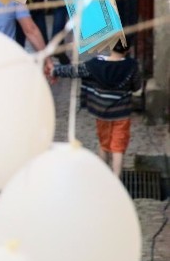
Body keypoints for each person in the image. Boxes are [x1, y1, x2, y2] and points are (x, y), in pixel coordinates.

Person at [52, 40, 141, 177]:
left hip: (102, 114)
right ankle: (116, 181)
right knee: (118, 147)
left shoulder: (95, 65)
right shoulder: (132, 66)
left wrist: (54, 70)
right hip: (121, 114)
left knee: (104, 145)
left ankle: (103, 178)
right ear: (127, 50)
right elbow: (137, 86)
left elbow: (74, 71)